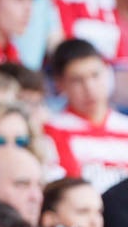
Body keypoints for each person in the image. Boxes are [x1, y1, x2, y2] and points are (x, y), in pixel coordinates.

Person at [44, 39, 128, 192]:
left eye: (95, 75)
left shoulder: (125, 126)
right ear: (60, 84)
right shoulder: (52, 129)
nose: (89, 88)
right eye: (77, 80)